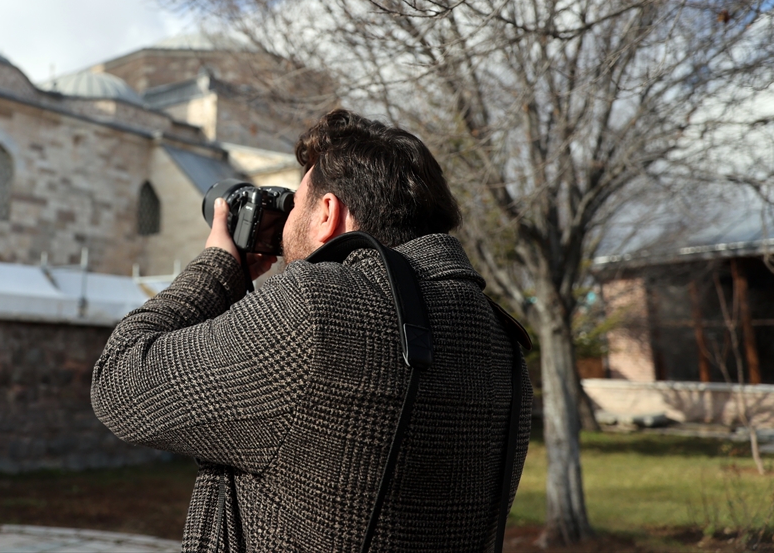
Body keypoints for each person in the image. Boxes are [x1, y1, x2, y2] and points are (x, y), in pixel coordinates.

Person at [91, 109, 532, 552]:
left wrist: (217, 268)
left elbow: (119, 383)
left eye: (295, 205)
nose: (284, 229)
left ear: (327, 213)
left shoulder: (315, 312)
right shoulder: (502, 341)